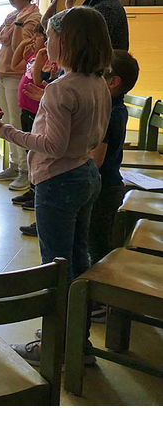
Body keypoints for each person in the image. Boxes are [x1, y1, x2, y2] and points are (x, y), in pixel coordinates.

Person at [0, 7, 112, 365]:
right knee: (78, 259)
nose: (43, 43)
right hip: (85, 174)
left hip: (58, 181)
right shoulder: (97, 82)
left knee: (55, 267)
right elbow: (91, 133)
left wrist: (6, 130)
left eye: (50, 37)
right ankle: (78, 340)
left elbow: (53, 145)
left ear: (67, 41)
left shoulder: (61, 89)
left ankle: (55, 348)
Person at [0, 0, 42, 192]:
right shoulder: (12, 15)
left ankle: (25, 171)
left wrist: (16, 26)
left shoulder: (33, 17)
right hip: (2, 72)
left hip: (17, 74)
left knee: (17, 122)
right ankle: (14, 165)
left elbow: (20, 46)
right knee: (5, 119)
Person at [88, 50, 139, 271]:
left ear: (113, 82)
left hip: (102, 190)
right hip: (108, 185)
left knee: (97, 246)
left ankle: (100, 297)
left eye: (98, 73)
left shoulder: (107, 112)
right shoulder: (116, 106)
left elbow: (96, 160)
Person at [12, 26, 58, 227]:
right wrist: (27, 45)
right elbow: (14, 64)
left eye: (40, 36)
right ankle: (31, 190)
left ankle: (36, 190)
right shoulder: (32, 55)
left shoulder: (49, 60)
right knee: (29, 151)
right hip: (26, 109)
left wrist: (42, 53)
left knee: (36, 151)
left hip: (37, 111)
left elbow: (38, 79)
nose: (36, 39)